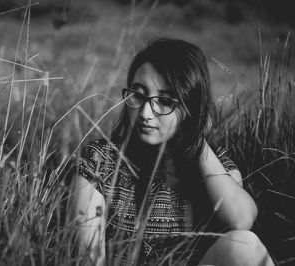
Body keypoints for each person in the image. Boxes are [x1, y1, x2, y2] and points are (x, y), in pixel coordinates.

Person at [72, 38, 274, 265]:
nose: (146, 113)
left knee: (244, 245)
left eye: (165, 101)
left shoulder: (212, 161)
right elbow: (88, 259)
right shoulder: (100, 160)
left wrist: (196, 141)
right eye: (138, 95)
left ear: (190, 107)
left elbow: (241, 221)